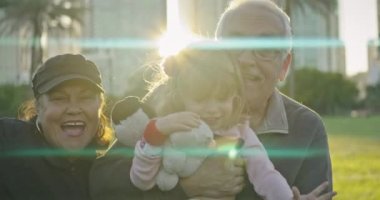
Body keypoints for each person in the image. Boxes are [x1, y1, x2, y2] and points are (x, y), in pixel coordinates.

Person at [90, 0, 335, 199]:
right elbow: (102, 182)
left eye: (266, 47)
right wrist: (186, 187)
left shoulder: (306, 127)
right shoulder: (168, 101)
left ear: (284, 66)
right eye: (235, 44)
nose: (247, 59)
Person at [127, 47, 293, 200]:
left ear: (234, 98)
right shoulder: (171, 127)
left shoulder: (240, 133)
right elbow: (142, 180)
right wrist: (154, 135)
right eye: (201, 99)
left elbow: (265, 175)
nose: (213, 109)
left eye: (222, 98)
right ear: (181, 97)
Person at [0, 54, 113, 200]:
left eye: (85, 98)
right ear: (38, 107)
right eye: (59, 98)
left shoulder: (112, 173)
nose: (74, 109)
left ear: (100, 105)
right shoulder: (8, 145)